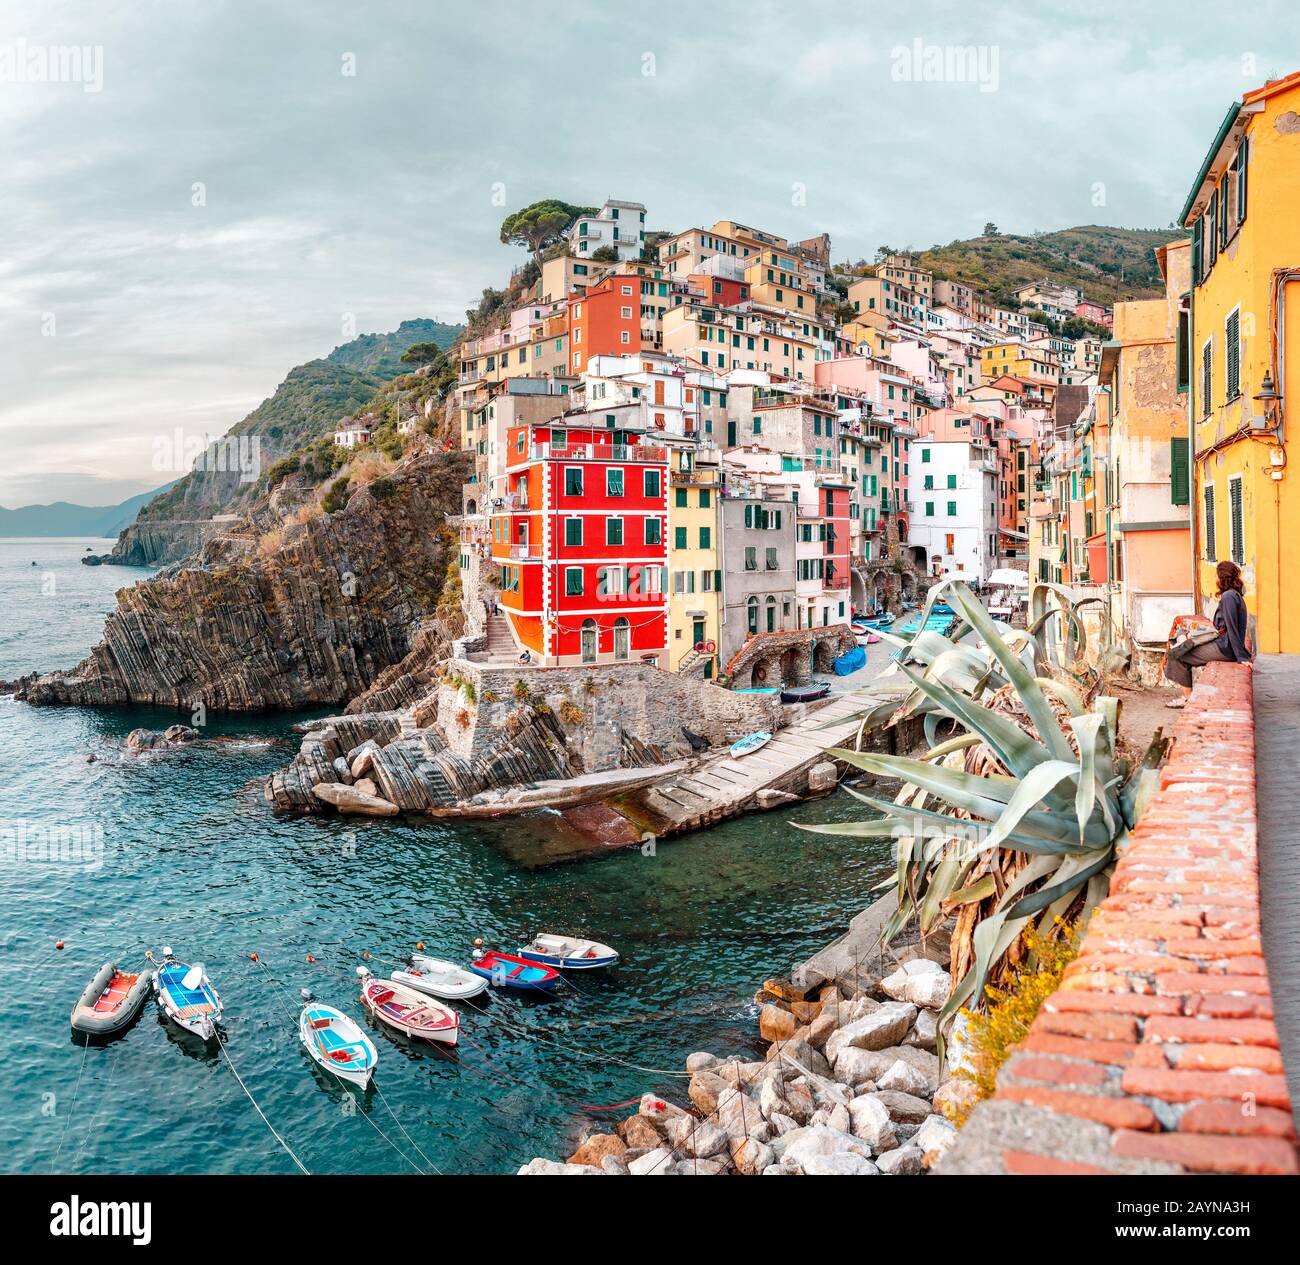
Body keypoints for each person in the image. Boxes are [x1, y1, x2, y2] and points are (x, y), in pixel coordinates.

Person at [1164, 560, 1252, 706]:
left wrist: (1241, 656)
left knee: (1179, 654)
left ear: (1222, 578)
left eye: (1217, 576)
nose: (1215, 580)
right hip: (1224, 644)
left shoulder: (1229, 597)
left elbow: (1231, 628)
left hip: (1225, 648)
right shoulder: (1234, 595)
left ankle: (1187, 699)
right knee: (1181, 647)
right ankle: (1187, 696)